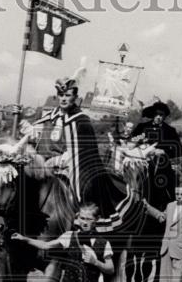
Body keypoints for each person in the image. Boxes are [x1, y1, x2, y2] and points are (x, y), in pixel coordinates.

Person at [22, 77, 126, 219]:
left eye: (67, 95)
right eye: (61, 95)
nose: (63, 99)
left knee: (83, 190)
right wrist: (25, 124)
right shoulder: (50, 117)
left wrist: (58, 160)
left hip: (70, 168)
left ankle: (80, 220)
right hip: (44, 166)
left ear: (75, 97)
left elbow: (82, 153)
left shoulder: (82, 121)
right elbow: (37, 135)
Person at [128, 101, 182, 204]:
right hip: (140, 161)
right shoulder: (142, 127)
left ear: (165, 116)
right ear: (153, 114)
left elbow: (179, 150)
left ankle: (168, 204)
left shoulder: (170, 130)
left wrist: (164, 151)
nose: (158, 117)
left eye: (161, 115)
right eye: (156, 114)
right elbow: (131, 142)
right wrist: (140, 145)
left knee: (166, 183)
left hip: (160, 164)